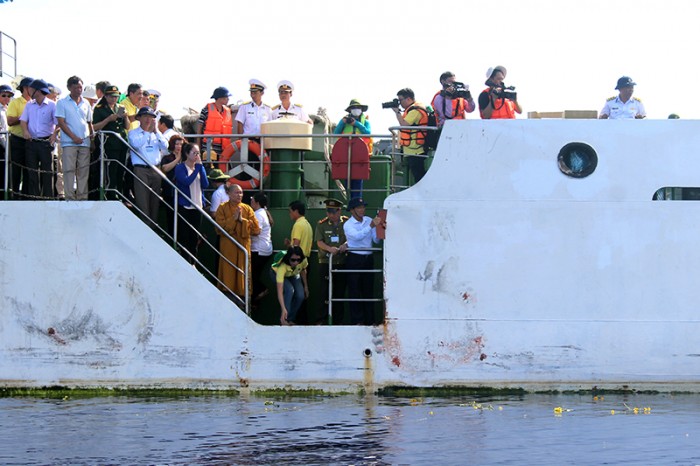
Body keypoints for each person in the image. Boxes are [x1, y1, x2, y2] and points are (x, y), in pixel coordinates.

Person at [215, 183, 261, 301]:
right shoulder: (222, 208)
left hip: (242, 246)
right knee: (228, 270)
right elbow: (219, 228)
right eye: (236, 192)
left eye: (241, 192)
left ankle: (242, 296)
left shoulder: (247, 208)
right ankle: (226, 293)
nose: (239, 195)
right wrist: (233, 220)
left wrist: (242, 221)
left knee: (243, 271)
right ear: (229, 194)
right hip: (228, 246)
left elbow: (256, 230)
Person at [343, 197, 383, 325]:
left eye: (363, 207)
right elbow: (357, 236)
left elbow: (375, 240)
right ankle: (357, 321)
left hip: (368, 258)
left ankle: (370, 320)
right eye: (359, 208)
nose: (362, 210)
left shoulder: (369, 220)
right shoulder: (348, 224)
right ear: (352, 210)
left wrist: (380, 230)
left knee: (368, 290)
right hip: (354, 258)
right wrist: (371, 226)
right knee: (354, 290)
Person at [128, 106, 168, 228]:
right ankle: (146, 226)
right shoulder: (133, 133)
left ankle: (153, 227)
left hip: (155, 169)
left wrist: (156, 132)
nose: (148, 119)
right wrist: (147, 132)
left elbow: (166, 148)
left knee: (154, 202)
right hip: (141, 170)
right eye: (145, 116)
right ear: (139, 118)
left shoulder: (157, 133)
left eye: (151, 117)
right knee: (142, 201)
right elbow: (136, 144)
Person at [56, 76, 94, 201]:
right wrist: (73, 137)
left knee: (83, 172)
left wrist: (92, 138)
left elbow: (89, 122)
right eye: (76, 87)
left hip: (85, 142)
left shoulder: (86, 103)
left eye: (80, 87)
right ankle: (70, 198)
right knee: (69, 171)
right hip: (68, 143)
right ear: (69, 88)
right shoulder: (62, 102)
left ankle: (82, 198)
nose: (79, 90)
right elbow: (61, 122)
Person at [20, 79, 58, 199]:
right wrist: (25, 131)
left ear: (38, 91)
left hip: (46, 142)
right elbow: (23, 120)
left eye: (31, 88)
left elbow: (58, 123)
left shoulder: (52, 105)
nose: (29, 91)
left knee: (47, 172)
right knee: (32, 172)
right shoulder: (29, 105)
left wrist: (54, 134)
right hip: (31, 142)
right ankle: (34, 198)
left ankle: (48, 197)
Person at [92, 84, 130, 200]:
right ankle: (110, 194)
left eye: (116, 96)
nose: (114, 99)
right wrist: (108, 119)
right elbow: (94, 127)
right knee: (111, 172)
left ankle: (119, 193)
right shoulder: (99, 109)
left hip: (121, 144)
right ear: (106, 96)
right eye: (111, 96)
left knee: (120, 171)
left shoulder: (120, 107)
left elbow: (127, 127)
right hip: (108, 145)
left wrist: (125, 117)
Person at [174, 142, 209, 264]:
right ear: (187, 154)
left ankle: (193, 262)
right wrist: (197, 169)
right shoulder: (180, 168)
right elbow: (186, 181)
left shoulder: (199, 167)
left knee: (194, 236)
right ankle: (185, 260)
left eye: (198, 153)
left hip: (197, 205)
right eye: (194, 153)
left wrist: (200, 168)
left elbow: (205, 184)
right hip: (185, 205)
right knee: (185, 235)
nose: (196, 156)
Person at [315, 198, 349, 325]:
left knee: (339, 293)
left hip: (341, 262)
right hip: (326, 262)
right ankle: (321, 320)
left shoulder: (346, 223)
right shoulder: (322, 224)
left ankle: (338, 321)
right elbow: (319, 241)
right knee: (324, 293)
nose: (331, 215)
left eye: (333, 212)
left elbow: (351, 237)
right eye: (329, 212)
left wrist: (345, 245)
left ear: (339, 211)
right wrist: (330, 249)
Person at [333, 99, 372, 199]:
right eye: (353, 108)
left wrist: (356, 124)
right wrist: (343, 122)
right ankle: (350, 202)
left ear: (362, 110)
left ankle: (357, 202)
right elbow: (335, 133)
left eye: (358, 108)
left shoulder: (366, 122)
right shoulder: (344, 122)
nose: (356, 110)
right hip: (346, 155)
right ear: (350, 110)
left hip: (360, 156)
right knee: (347, 182)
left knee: (358, 181)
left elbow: (368, 133)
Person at [391, 88, 429, 183]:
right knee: (414, 176)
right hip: (411, 150)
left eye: (400, 100)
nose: (400, 103)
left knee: (419, 176)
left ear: (408, 99)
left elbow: (404, 124)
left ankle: (422, 195)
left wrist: (397, 112)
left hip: (416, 150)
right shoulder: (411, 109)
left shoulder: (415, 110)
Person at [6, 76, 34, 198]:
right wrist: (24, 117)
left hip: (31, 141)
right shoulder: (15, 102)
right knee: (16, 170)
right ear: (25, 88)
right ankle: (15, 195)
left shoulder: (35, 103)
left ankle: (26, 197)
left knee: (29, 170)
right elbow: (10, 121)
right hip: (17, 141)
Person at [271, 246, 309, 326]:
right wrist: (283, 308)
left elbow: (302, 270)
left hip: (293, 274)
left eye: (298, 260)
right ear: (288, 258)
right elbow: (280, 291)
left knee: (300, 295)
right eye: (293, 260)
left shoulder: (303, 260)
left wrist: (305, 286)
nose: (295, 262)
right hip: (277, 274)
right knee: (289, 290)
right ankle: (284, 320)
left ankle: (290, 318)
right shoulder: (282, 267)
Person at [196, 86, 233, 160]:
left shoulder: (227, 111)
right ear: (220, 98)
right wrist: (198, 148)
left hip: (223, 149)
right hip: (209, 148)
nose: (228, 99)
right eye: (226, 97)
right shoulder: (206, 110)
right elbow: (199, 129)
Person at [250, 192, 274, 303]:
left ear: (257, 203)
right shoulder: (263, 212)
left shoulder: (258, 214)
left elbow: (256, 231)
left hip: (259, 250)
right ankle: (255, 300)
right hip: (265, 249)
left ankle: (260, 292)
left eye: (252, 200)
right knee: (254, 275)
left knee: (251, 277)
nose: (251, 202)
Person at [160, 134, 185, 235]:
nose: (179, 146)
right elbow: (165, 168)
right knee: (171, 217)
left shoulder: (186, 158)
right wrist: (177, 159)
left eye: (181, 144)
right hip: (170, 191)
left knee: (182, 219)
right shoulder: (167, 157)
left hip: (183, 192)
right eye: (177, 144)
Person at [0, 83, 11, 193]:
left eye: (9, 96)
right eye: (4, 95)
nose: (7, 98)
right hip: (1, 144)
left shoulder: (8, 109)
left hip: (7, 144)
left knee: (6, 170)